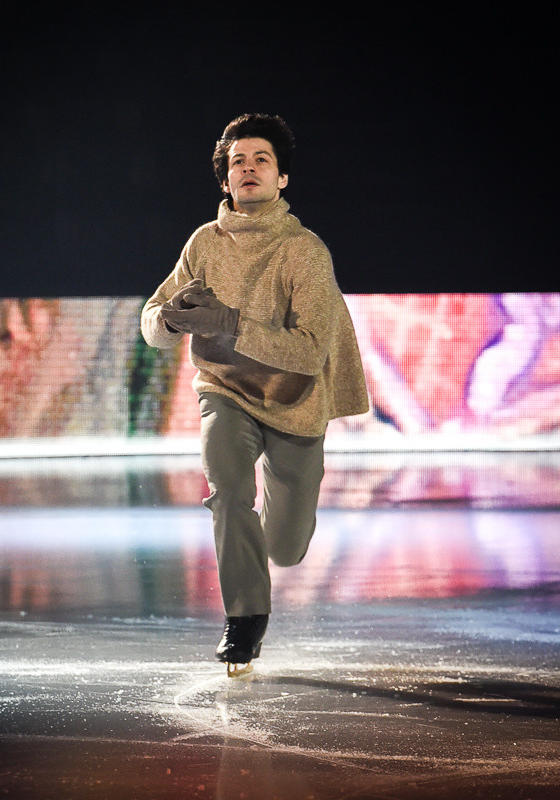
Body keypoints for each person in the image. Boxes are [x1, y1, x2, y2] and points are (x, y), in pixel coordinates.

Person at [141, 113, 369, 676]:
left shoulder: (304, 251)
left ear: (281, 179)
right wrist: (168, 323)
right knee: (227, 489)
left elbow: (310, 352)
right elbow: (150, 319)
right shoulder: (203, 243)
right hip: (224, 391)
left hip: (294, 403)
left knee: (285, 548)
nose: (249, 168)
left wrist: (232, 323)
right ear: (225, 181)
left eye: (261, 159)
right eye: (238, 161)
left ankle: (273, 529)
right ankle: (244, 622)